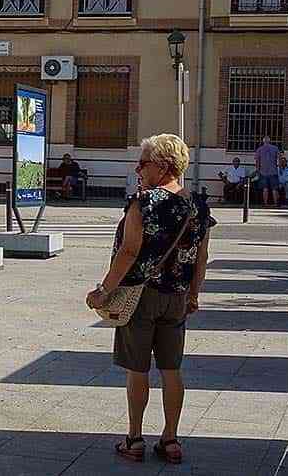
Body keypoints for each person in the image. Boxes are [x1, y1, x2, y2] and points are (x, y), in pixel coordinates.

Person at [86, 134, 215, 465]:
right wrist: (195, 295)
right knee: (172, 369)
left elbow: (129, 251)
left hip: (140, 297)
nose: (138, 169)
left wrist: (103, 291)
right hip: (177, 298)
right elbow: (201, 258)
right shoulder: (198, 205)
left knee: (137, 368)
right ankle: (170, 440)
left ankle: (135, 439)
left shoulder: (143, 202)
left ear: (163, 166)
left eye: (143, 163)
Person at [255, 136, 280, 206]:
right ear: (269, 141)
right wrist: (279, 168)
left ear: (263, 141)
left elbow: (257, 161)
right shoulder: (275, 148)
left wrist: (257, 170)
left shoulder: (259, 149)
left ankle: (265, 203)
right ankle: (275, 203)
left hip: (263, 172)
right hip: (273, 171)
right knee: (274, 189)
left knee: (265, 188)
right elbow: (279, 159)